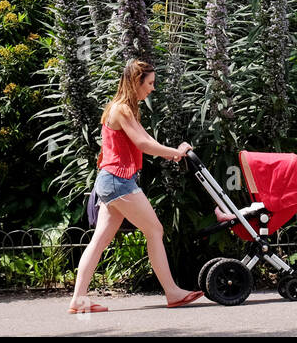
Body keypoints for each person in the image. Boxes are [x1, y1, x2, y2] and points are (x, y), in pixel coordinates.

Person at [68, 58, 205, 313]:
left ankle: (78, 299)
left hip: (112, 181)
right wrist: (175, 152)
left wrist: (172, 152)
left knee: (99, 241)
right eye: (150, 83)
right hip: (117, 181)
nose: (153, 88)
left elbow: (145, 139)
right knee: (154, 230)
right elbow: (143, 145)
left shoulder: (125, 108)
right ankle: (172, 292)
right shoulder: (121, 109)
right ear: (135, 82)